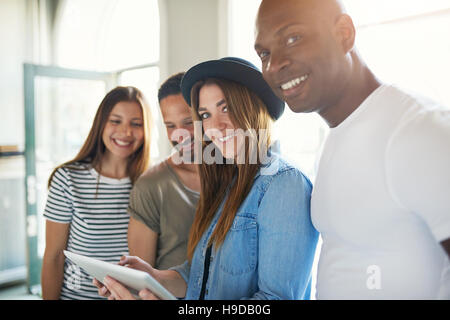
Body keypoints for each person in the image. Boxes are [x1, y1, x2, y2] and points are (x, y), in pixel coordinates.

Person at [254, 0, 450, 299]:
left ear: (344, 33)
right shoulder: (337, 134)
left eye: (293, 38)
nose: (273, 64)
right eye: (264, 53)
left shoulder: (416, 129)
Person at [94, 57, 319, 300]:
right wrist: (152, 277)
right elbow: (200, 274)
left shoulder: (284, 185)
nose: (215, 125)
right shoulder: (228, 182)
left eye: (226, 107)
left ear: (252, 106)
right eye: (205, 114)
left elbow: (275, 299)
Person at [41, 86, 152, 300]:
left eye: (136, 124)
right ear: (101, 123)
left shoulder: (151, 183)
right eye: (115, 121)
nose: (126, 132)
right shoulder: (67, 178)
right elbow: (53, 257)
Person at [127, 72, 200, 269]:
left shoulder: (238, 175)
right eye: (170, 125)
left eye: (189, 122)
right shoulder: (151, 185)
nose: (180, 134)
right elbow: (142, 278)